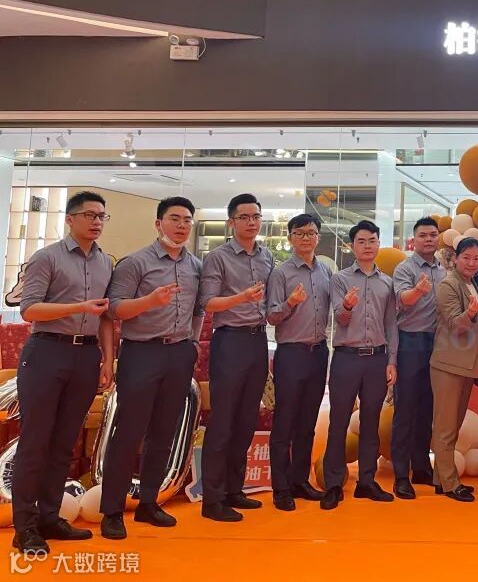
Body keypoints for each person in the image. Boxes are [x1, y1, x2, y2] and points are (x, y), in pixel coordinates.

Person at [12, 191, 115, 553]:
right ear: (70, 219)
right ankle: (24, 526)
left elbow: (105, 315)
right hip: (46, 352)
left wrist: (108, 359)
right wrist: (78, 306)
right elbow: (29, 310)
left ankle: (49, 517)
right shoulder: (47, 257)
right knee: (36, 441)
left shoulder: (106, 262)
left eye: (102, 216)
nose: (97, 222)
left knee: (64, 443)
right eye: (90, 215)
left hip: (85, 356)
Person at [100, 197, 202, 539]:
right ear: (158, 223)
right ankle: (112, 511)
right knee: (129, 432)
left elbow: (198, 310)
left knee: (164, 431)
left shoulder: (196, 266)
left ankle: (148, 502)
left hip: (179, 354)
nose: (182, 226)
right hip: (142, 353)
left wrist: (193, 343)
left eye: (187, 220)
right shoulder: (135, 263)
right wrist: (149, 301)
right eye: (175, 219)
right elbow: (114, 309)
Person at [197, 193, 275, 522]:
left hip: (258, 341)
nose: (251, 222)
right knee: (223, 420)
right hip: (229, 341)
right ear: (231, 222)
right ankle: (212, 499)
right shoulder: (218, 257)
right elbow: (208, 303)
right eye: (244, 217)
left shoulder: (267, 256)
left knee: (246, 419)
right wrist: (241, 297)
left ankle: (234, 489)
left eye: (256, 216)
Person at [321, 221, 398, 509]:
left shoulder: (387, 283)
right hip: (346, 358)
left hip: (377, 359)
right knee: (338, 421)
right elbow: (339, 319)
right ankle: (333, 484)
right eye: (362, 241)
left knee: (371, 422)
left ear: (378, 244)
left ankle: (366, 481)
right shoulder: (340, 279)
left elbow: (391, 325)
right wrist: (348, 306)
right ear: (352, 246)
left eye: (372, 240)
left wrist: (392, 361)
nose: (367, 245)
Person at [265, 214, 331, 512]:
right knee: (285, 423)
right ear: (290, 237)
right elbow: (271, 316)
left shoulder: (326, 271)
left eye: (311, 233)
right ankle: (281, 488)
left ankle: (299, 481)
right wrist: (290, 302)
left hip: (318, 353)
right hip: (291, 353)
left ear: (318, 237)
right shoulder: (281, 273)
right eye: (300, 233)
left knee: (307, 423)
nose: (306, 238)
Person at [390, 217, 446, 499]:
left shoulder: (443, 270)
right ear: (414, 240)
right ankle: (401, 475)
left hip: (437, 344)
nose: (429, 239)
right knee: (406, 410)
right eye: (423, 235)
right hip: (410, 342)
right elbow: (403, 299)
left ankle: (421, 466)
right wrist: (418, 291)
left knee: (427, 408)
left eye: (433, 235)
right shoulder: (405, 268)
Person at [430, 237, 478, 503]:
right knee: (445, 427)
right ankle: (450, 484)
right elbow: (455, 325)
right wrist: (471, 313)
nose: (472, 263)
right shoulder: (448, 284)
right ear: (455, 258)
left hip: (466, 366)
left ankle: (441, 479)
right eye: (467, 257)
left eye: (477, 258)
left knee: (452, 426)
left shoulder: (471, 283)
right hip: (448, 365)